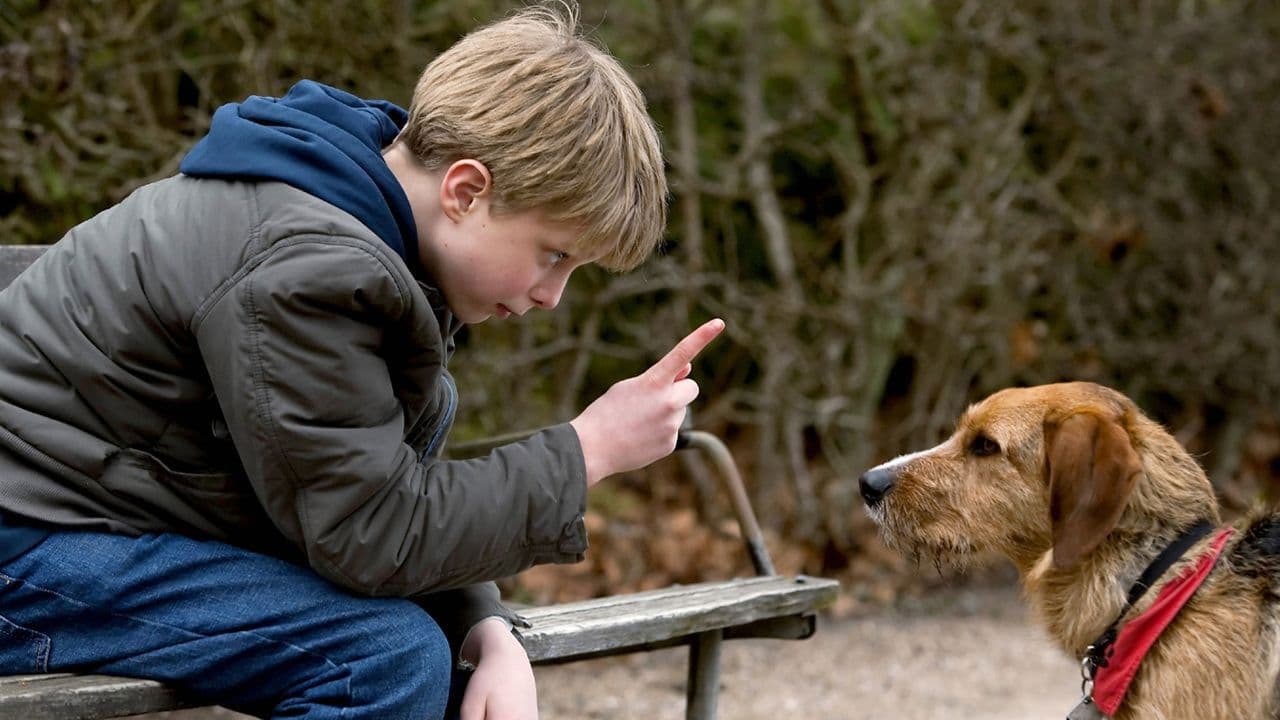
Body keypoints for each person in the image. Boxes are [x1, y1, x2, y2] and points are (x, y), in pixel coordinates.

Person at [0, 3, 723, 719]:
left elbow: (359, 493)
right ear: (466, 191)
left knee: (422, 656)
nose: (552, 297)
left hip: (85, 527)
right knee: (379, 662)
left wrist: (484, 626)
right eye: (554, 256)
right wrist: (586, 451)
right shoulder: (307, 269)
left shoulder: (364, 232)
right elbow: (371, 535)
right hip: (26, 543)